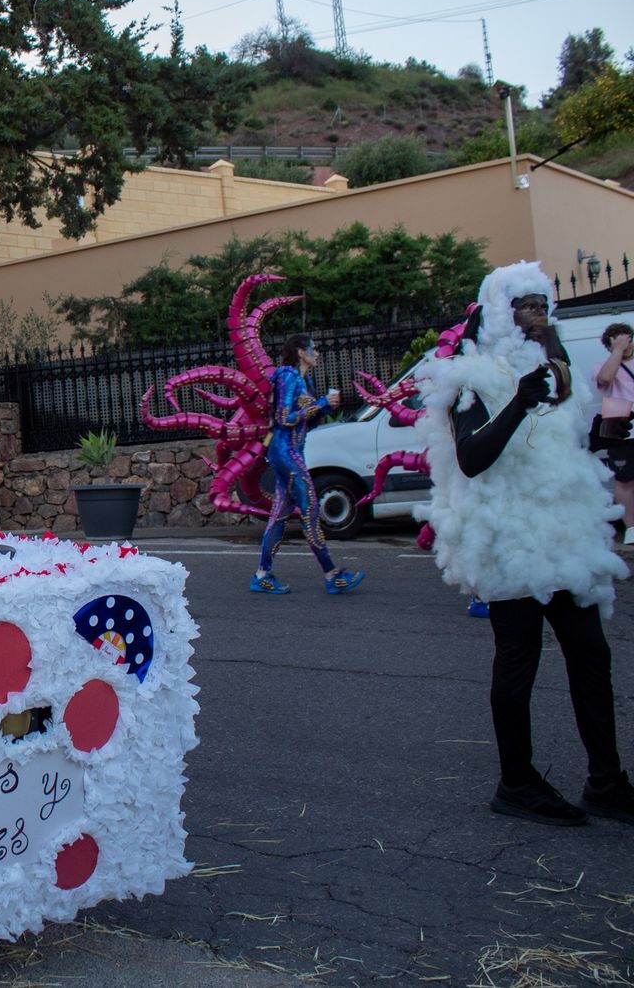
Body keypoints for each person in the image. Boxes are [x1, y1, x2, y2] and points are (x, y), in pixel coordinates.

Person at [416, 261, 632, 826]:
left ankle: (606, 781)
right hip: (507, 539)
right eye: (524, 305)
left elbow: (571, 443)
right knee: (520, 662)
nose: (536, 313)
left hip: (562, 537)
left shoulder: (558, 371)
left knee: (592, 656)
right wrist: (517, 402)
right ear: (498, 312)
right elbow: (472, 457)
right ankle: (516, 783)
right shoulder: (469, 377)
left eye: (542, 302)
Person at [250, 335, 365, 596]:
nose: (317, 353)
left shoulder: (305, 381)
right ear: (301, 352)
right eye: (313, 349)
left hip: (291, 452)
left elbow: (307, 422)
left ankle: (261, 575)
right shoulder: (288, 377)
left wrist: (323, 409)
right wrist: (321, 404)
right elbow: (284, 418)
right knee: (310, 509)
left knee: (279, 516)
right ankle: (332, 575)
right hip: (285, 451)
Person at [595, 322, 634, 545]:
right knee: (625, 480)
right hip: (619, 426)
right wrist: (617, 351)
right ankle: (631, 528)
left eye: (625, 338)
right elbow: (606, 379)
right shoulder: (604, 365)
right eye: (617, 340)